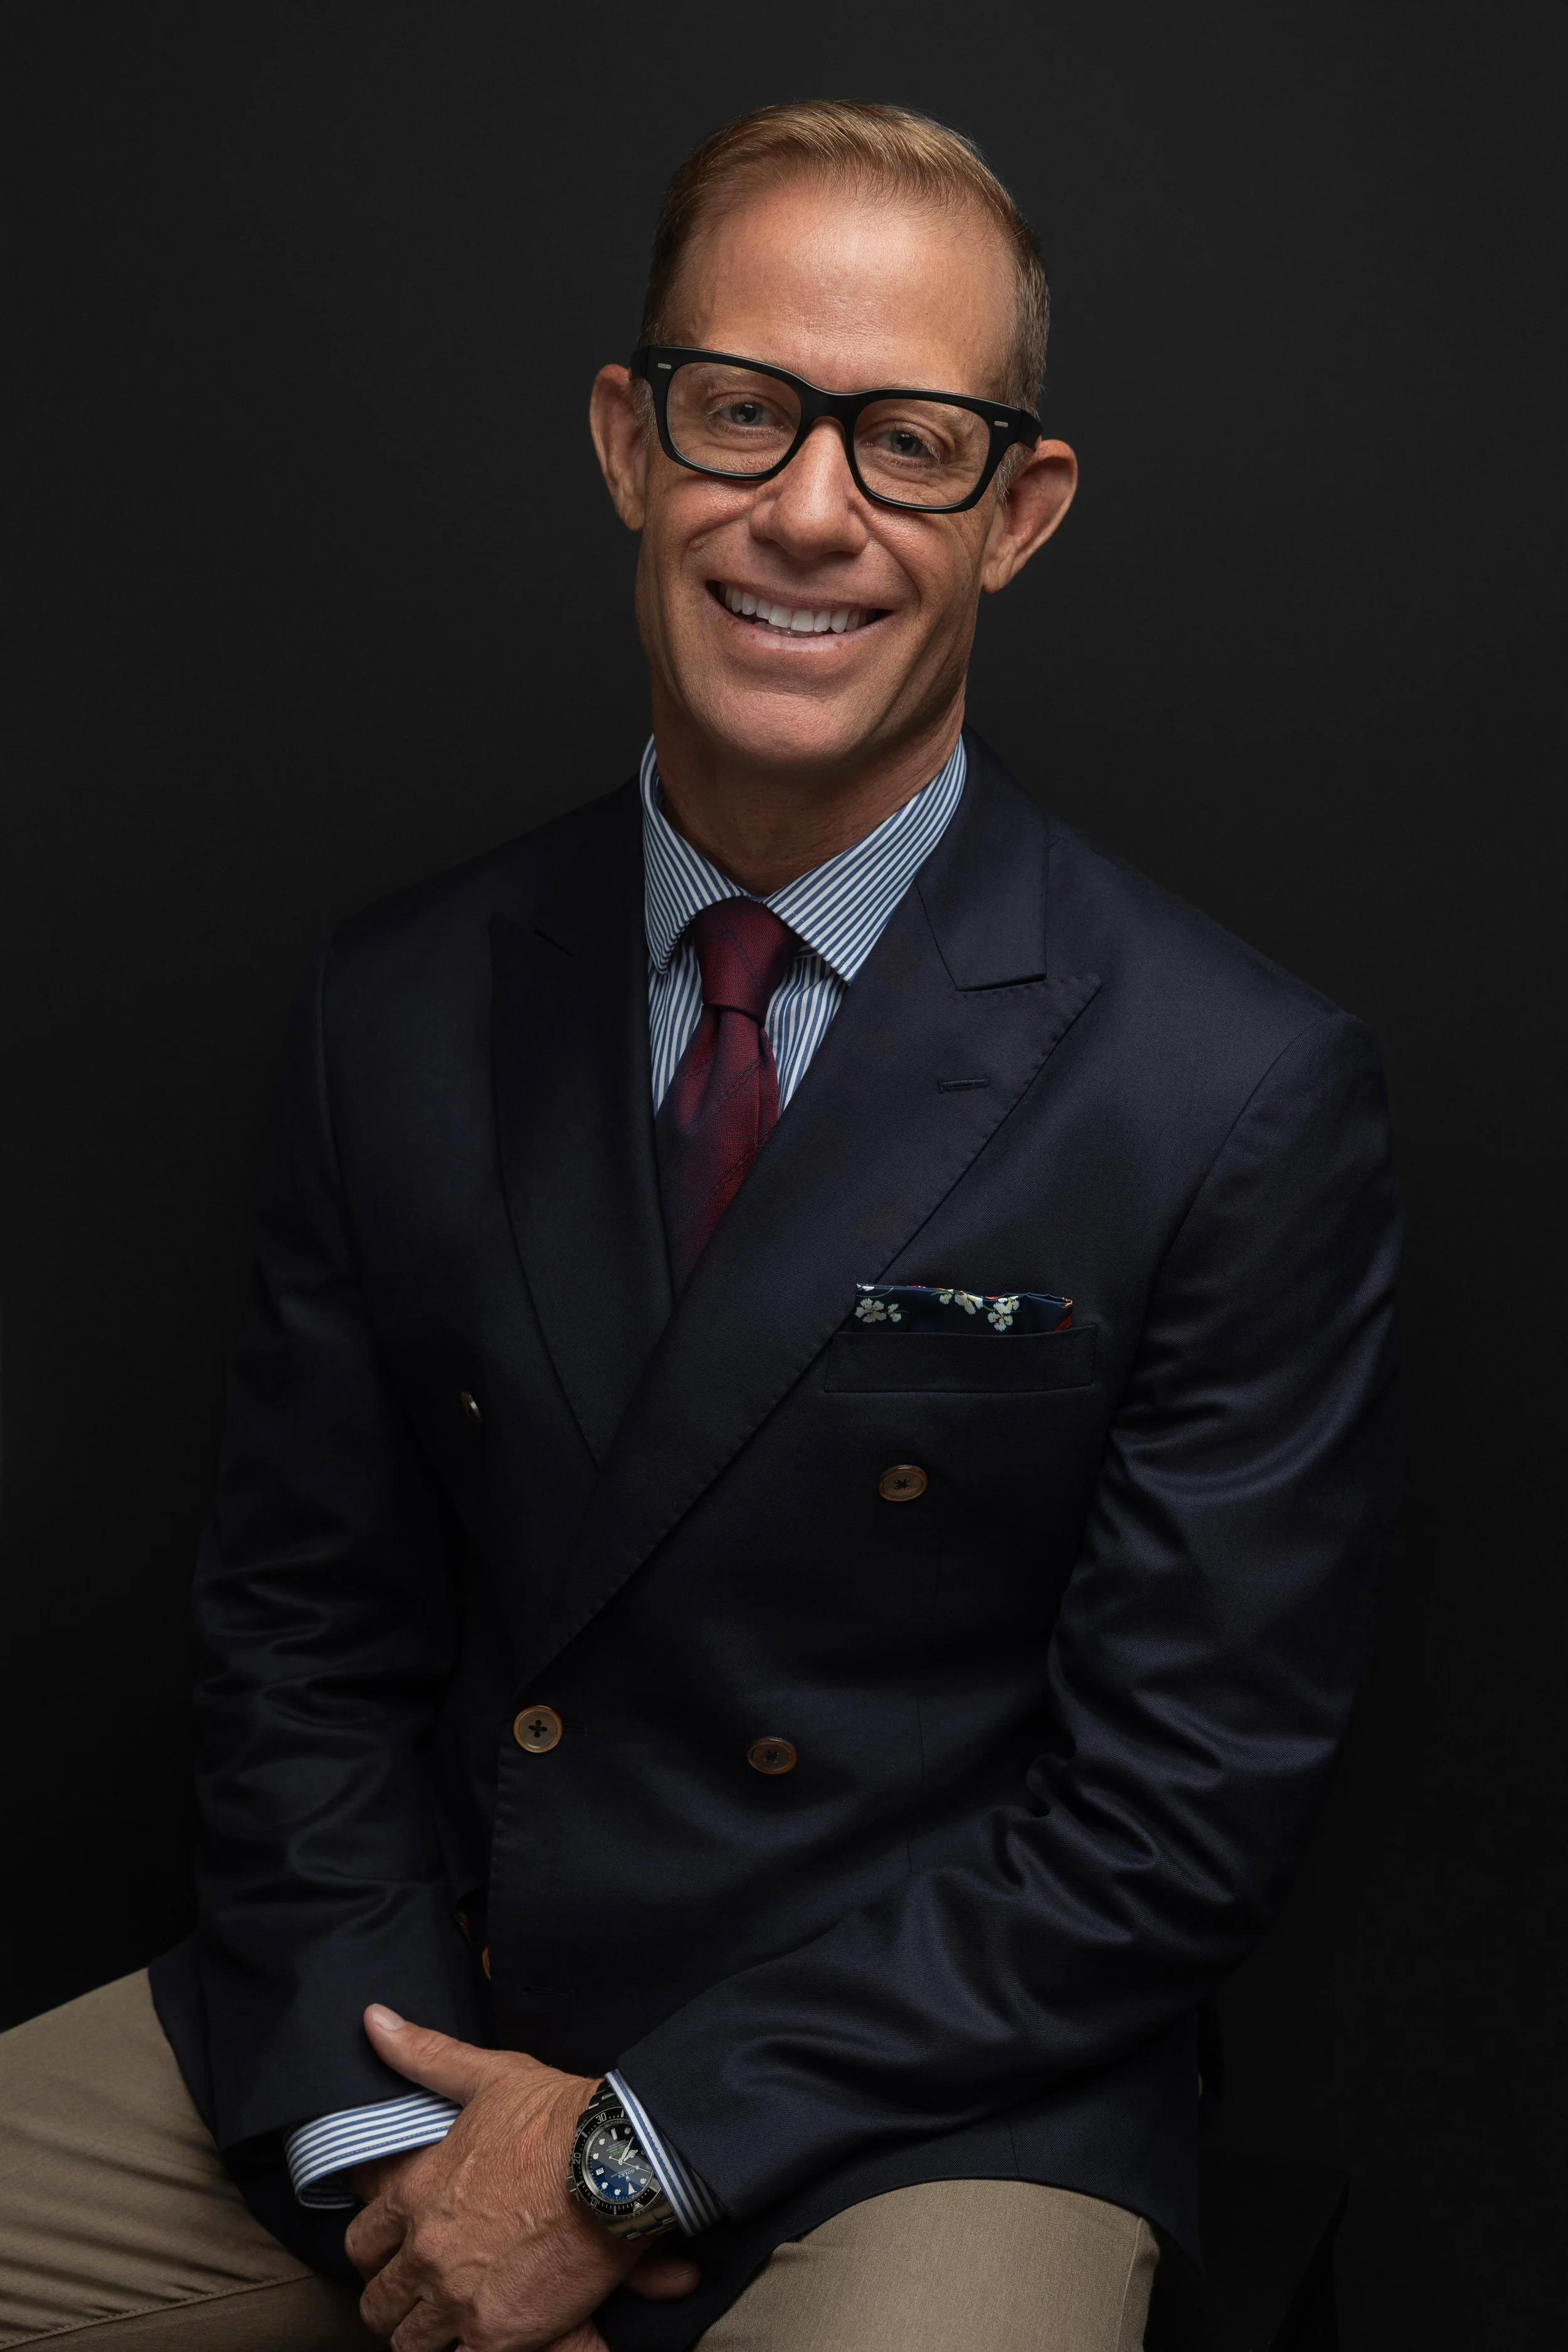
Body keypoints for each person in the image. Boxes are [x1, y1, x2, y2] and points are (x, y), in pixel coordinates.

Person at [0, 99, 1400, 2352]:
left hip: (930, 2087)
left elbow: (1170, 1818)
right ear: (629, 442)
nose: (810, 512)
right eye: (743, 409)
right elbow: (299, 1641)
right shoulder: (397, 1001)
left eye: (910, 441)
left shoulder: (1226, 1084)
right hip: (426, 2003)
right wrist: (402, 2168)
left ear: (1016, 511)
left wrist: (627, 2156)